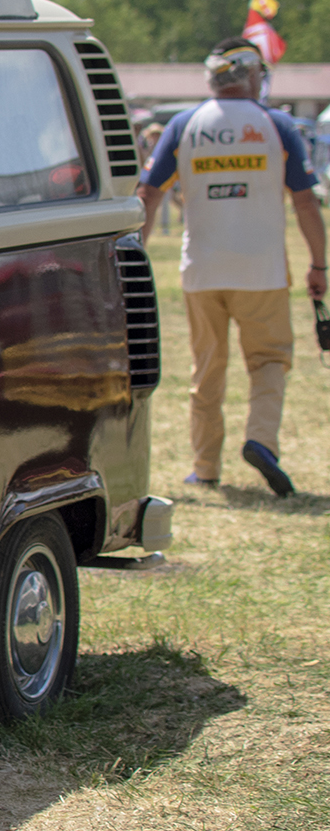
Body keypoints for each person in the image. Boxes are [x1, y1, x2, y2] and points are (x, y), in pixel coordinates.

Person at [140, 37, 329, 497]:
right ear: (249, 75)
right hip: (262, 269)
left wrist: (136, 256)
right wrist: (319, 265)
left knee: (207, 368)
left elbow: (149, 195)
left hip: (201, 270)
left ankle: (205, 467)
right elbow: (305, 202)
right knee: (268, 360)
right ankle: (261, 440)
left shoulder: (184, 125)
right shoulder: (276, 125)